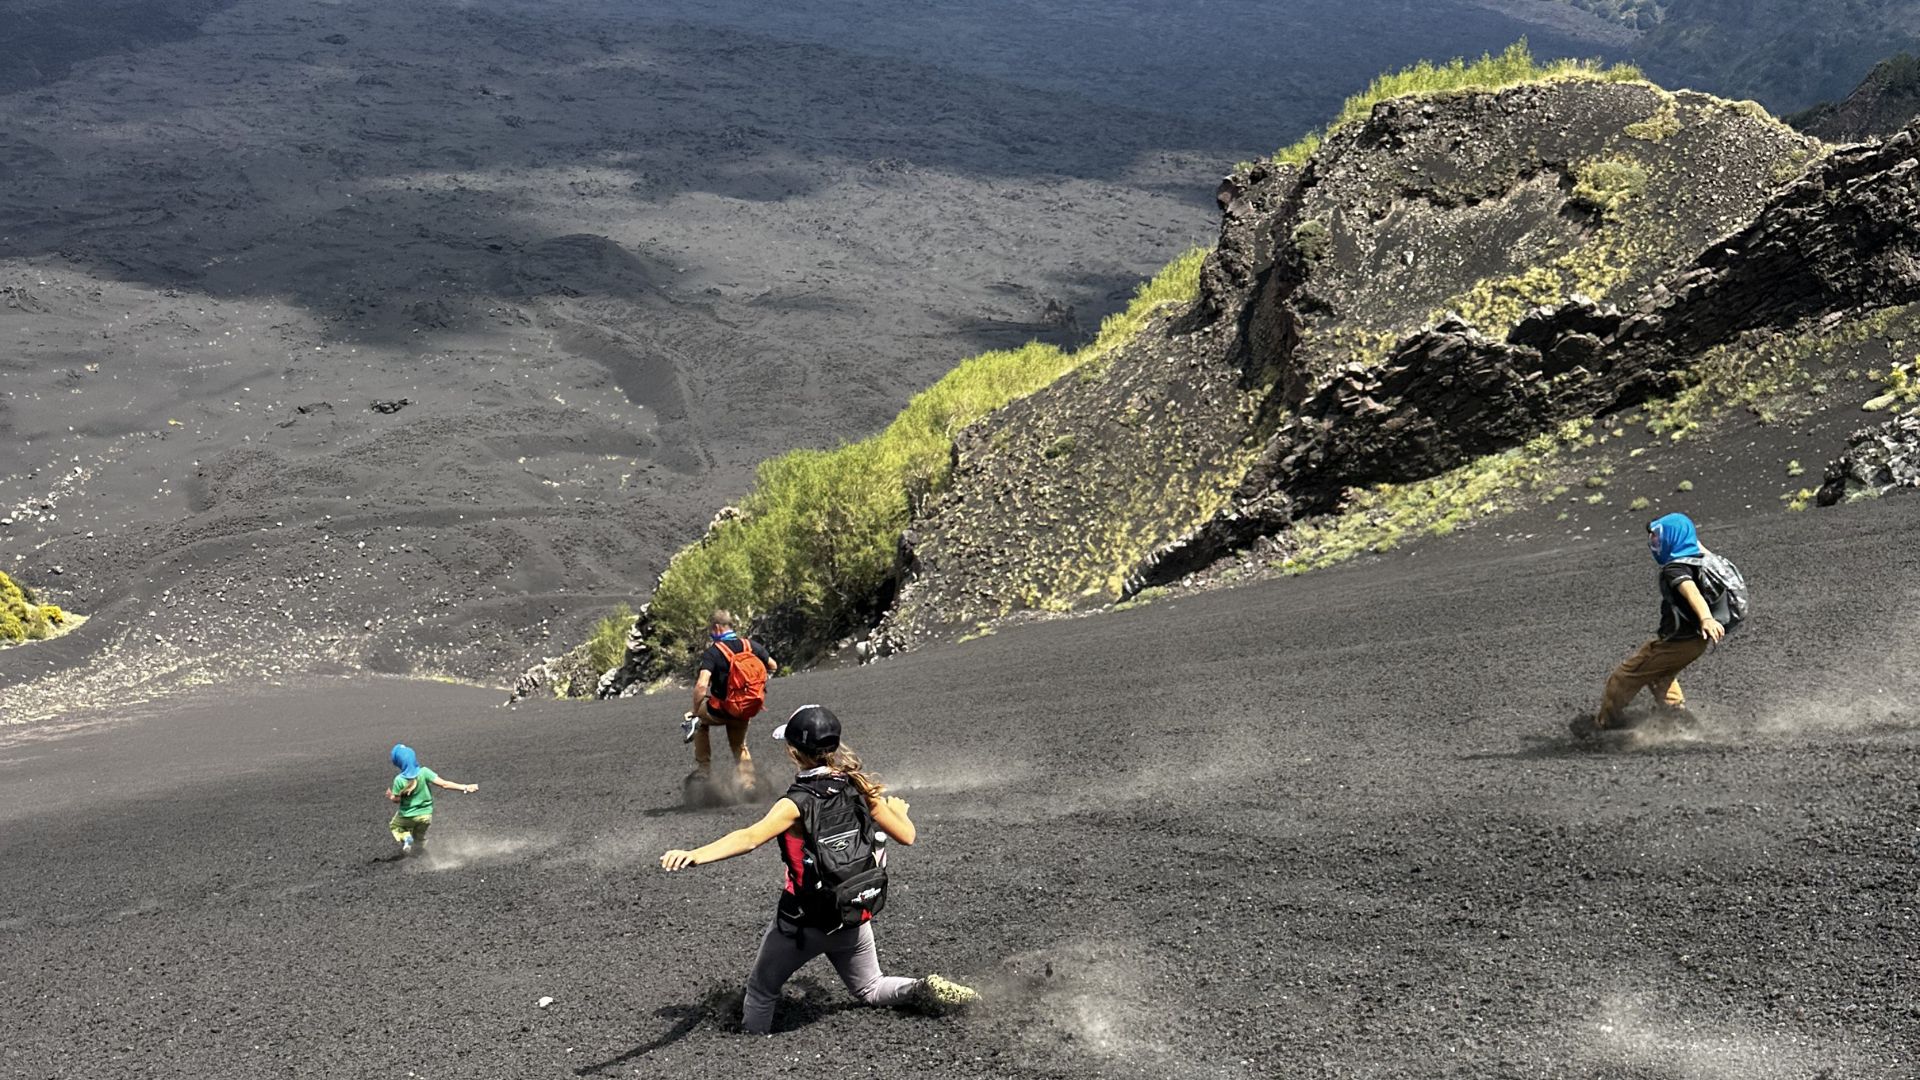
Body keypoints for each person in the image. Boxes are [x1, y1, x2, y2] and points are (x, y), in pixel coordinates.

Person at [659, 705, 977, 1034]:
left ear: (793, 752)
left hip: (801, 925)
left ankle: (751, 1045)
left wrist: (694, 854)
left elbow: (750, 838)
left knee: (761, 991)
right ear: (834, 747)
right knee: (871, 986)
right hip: (853, 913)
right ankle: (923, 987)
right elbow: (907, 836)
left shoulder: (794, 803)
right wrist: (900, 811)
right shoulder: (858, 786)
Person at [1580, 513, 1728, 736]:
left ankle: (1603, 728)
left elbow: (1691, 591)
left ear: (1672, 539)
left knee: (1623, 677)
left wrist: (1706, 618)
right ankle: (1680, 721)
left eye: (1659, 538)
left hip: (1677, 643)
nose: (1654, 544)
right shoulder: (1701, 559)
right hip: (1695, 641)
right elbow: (1694, 543)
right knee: (1660, 675)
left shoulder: (1675, 569)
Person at [681, 609, 777, 793]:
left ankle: (704, 770)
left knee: (695, 720)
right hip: (746, 708)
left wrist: (694, 711)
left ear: (717, 628)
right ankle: (749, 785)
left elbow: (701, 686)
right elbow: (773, 665)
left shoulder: (714, 652)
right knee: (739, 746)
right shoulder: (751, 646)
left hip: (720, 710)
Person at [386, 743, 479, 854]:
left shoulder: (399, 780)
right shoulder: (424, 772)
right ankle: (422, 858)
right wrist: (465, 787)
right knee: (419, 839)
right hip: (426, 816)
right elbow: (445, 784)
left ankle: (406, 837)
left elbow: (396, 800)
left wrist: (391, 796)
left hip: (407, 815)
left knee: (396, 826)